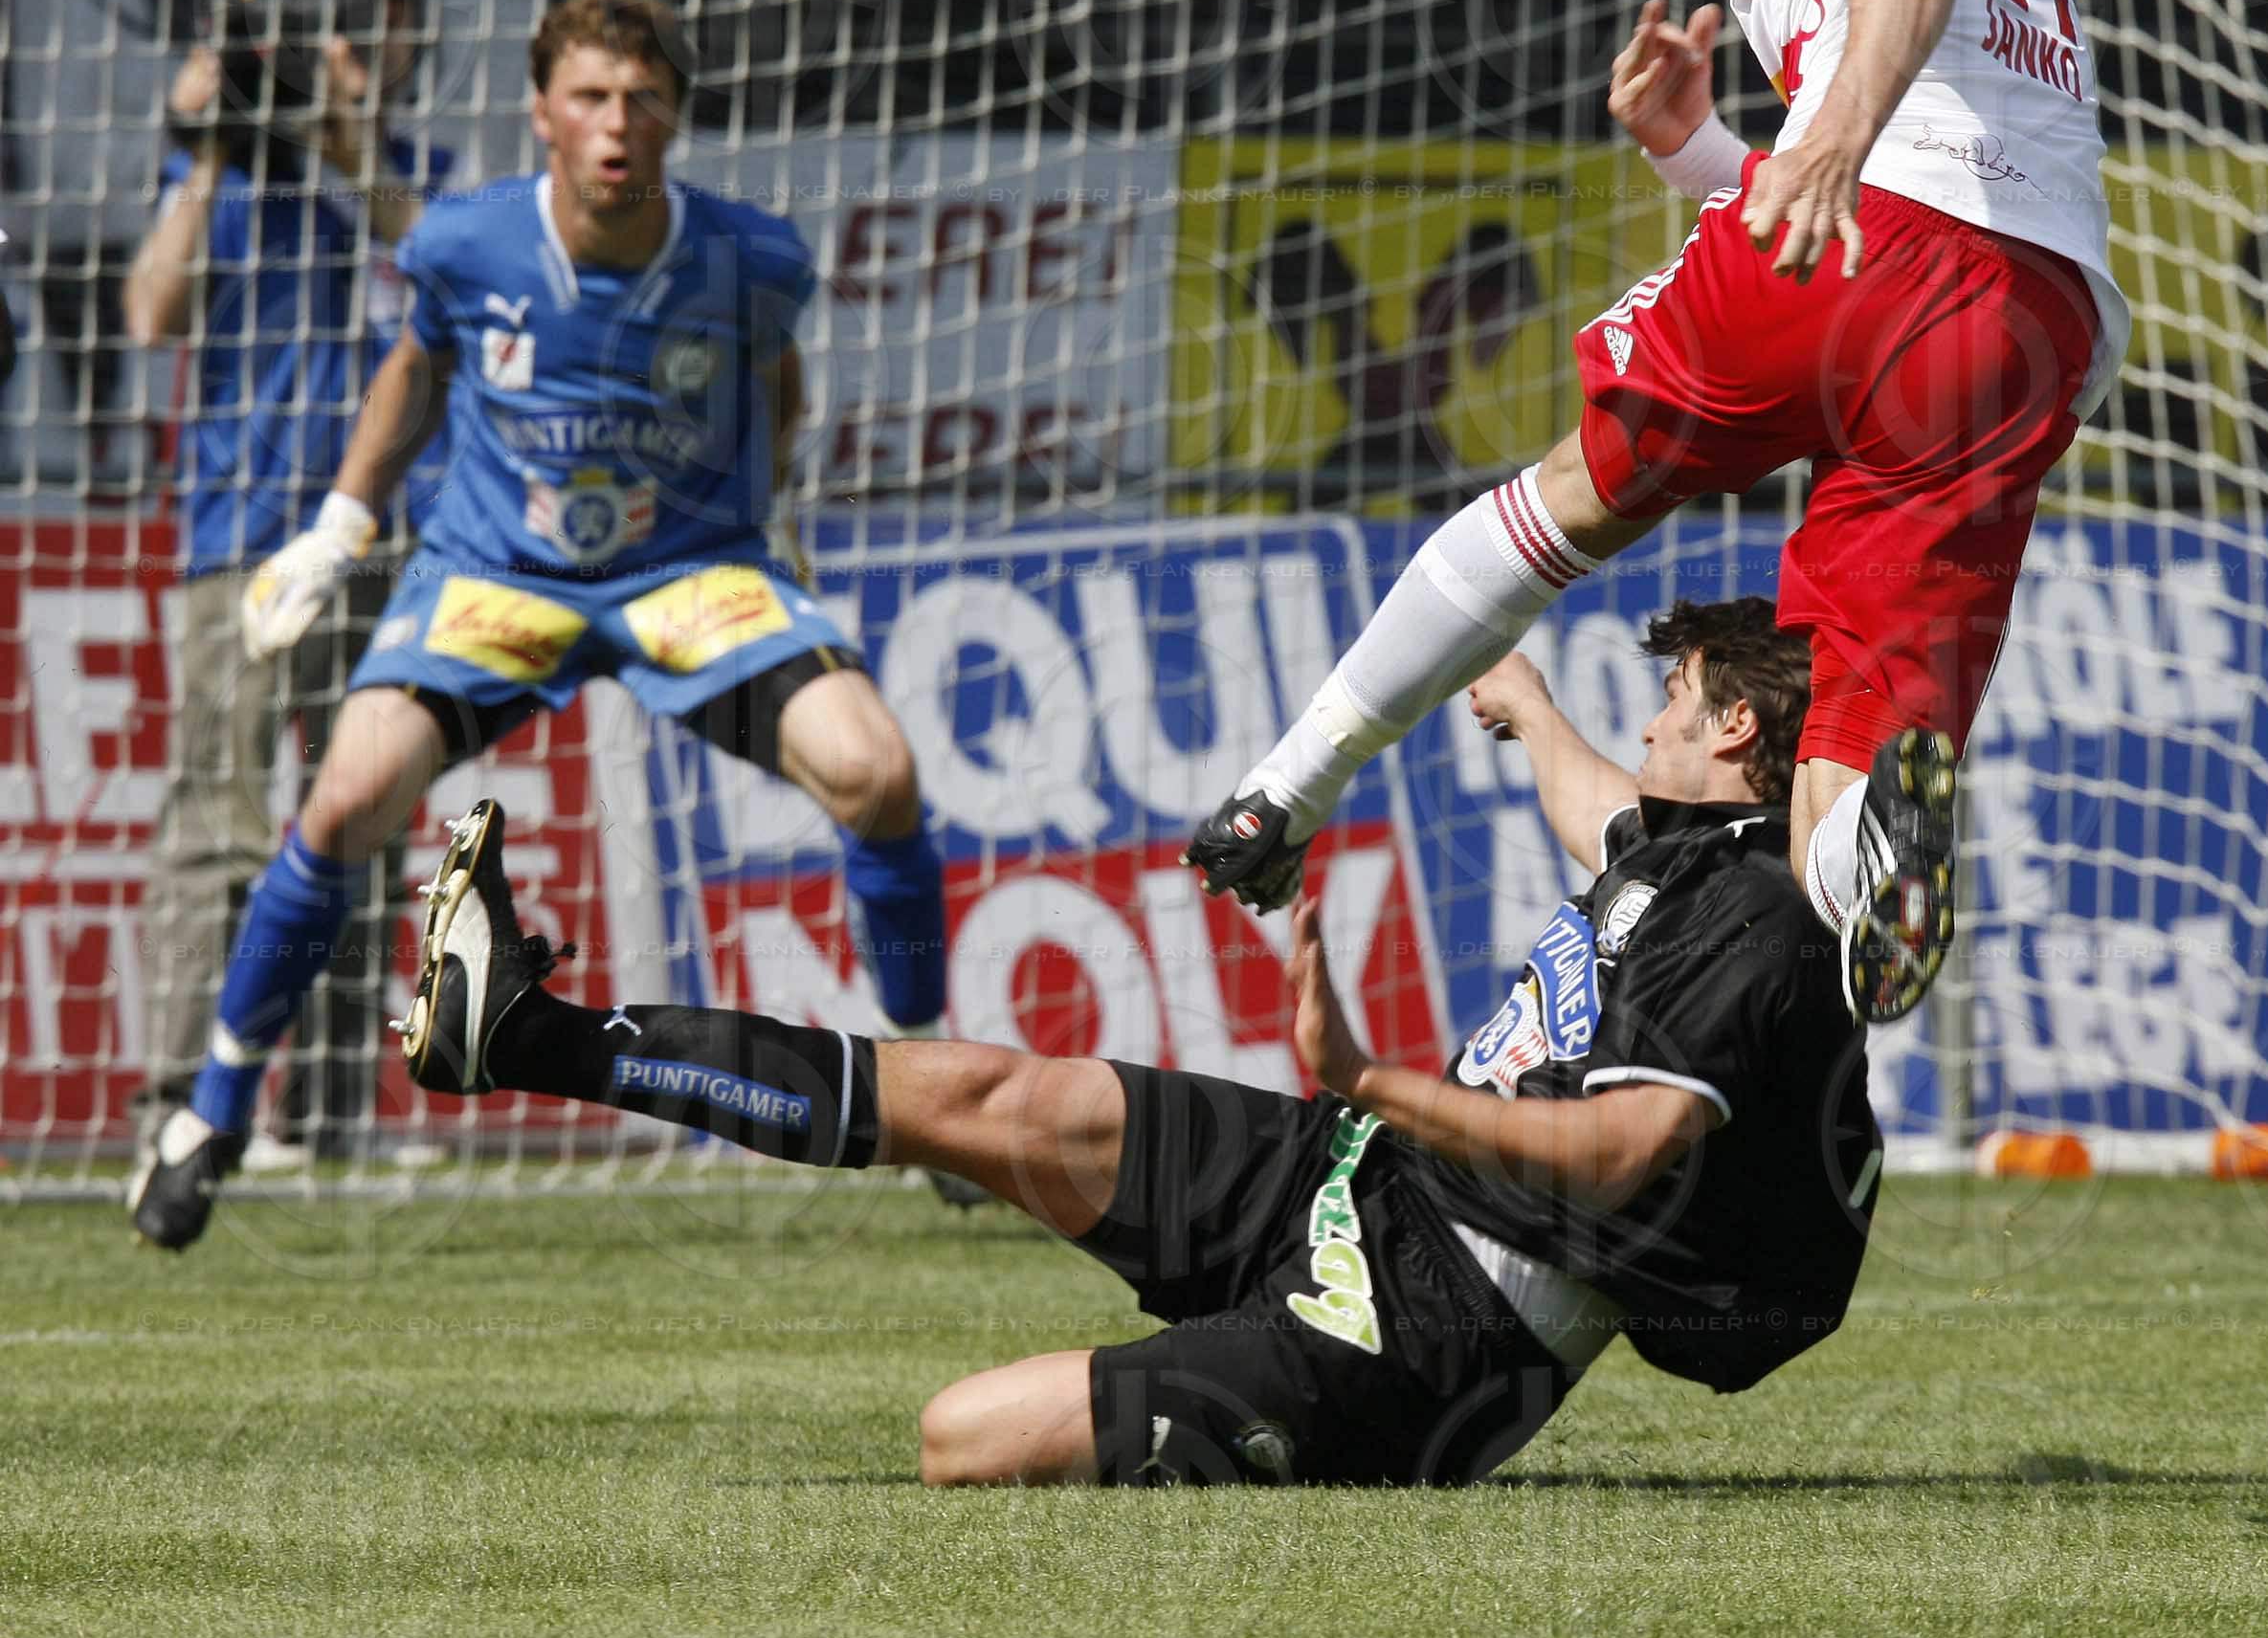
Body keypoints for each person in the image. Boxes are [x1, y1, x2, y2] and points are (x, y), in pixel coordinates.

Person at [1183, 0, 2129, 1031]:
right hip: (2027, 326)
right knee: (1835, 771)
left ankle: (1283, 787)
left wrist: (1828, 141)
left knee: (1564, 499)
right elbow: (1929, 194)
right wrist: (1705, 158)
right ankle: (1871, 859)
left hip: (1881, 229)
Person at [395, 595, 1878, 1485]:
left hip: (1445, 1335)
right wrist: (1529, 703)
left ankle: (1250, 1393)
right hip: (1359, 1177)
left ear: (1737, 733)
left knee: (963, 1438)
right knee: (988, 1093)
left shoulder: (1756, 921)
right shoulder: (1683, 852)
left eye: (1673, 699)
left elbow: (1621, 1151)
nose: (1651, 722)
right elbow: (1597, 805)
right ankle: (527, 1034)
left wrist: (1372, 1078)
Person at [127, 0, 949, 1250]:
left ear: (676, 118)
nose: (618, 122)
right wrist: (341, 523)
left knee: (877, 771)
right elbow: (417, 366)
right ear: (544, 114)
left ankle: (932, 1080)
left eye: (643, 99)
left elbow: (774, 375)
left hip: (686, 572)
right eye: (592, 98)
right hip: (498, 575)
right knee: (344, 802)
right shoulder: (466, 241)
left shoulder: (752, 256)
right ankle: (210, 1114)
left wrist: (765, 513)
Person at [124, 0, 456, 1169]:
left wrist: (347, 144)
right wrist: (208, 144)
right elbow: (150, 312)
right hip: (238, 539)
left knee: (361, 819)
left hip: (377, 542)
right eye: (347, 27)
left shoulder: (414, 172)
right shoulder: (221, 175)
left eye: (388, 29)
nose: (364, 48)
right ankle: (179, 1106)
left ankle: (329, 1115)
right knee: (215, 818)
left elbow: (442, 275)